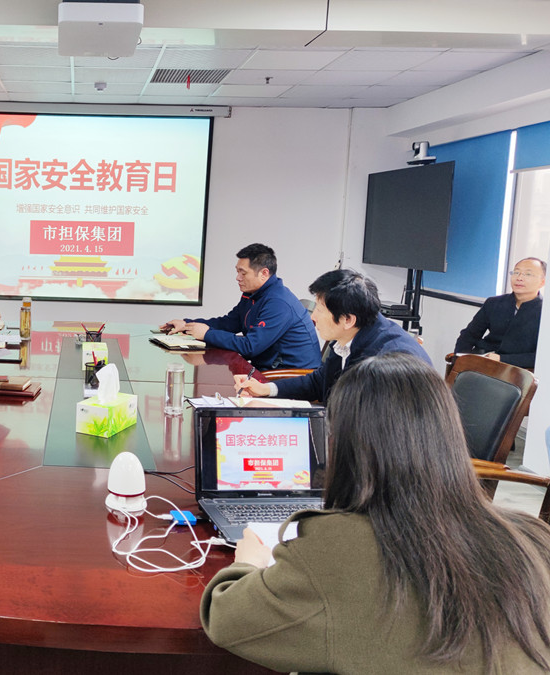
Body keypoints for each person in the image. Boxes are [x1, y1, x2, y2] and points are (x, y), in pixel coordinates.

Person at [201, 353, 550, 673]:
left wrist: (248, 562)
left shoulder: (333, 550)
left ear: (345, 445)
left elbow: (227, 620)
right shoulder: (533, 541)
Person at [236, 268, 431, 403]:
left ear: (348, 319)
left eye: (320, 310)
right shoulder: (351, 336)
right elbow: (319, 381)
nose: (313, 317)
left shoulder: (384, 361)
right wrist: (266, 389)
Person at [161, 243, 321, 370]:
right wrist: (186, 324)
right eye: (237, 272)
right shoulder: (252, 294)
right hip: (265, 370)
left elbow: (250, 346)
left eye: (243, 273)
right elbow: (228, 323)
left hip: (288, 377)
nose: (237, 278)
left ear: (264, 273)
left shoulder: (279, 303)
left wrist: (207, 334)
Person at [454, 257, 545, 368]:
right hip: (482, 361)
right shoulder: (493, 303)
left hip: (517, 370)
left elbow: (542, 356)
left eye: (528, 274)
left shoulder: (545, 313)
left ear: (542, 282)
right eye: (516, 272)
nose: (519, 278)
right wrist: (461, 360)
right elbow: (469, 335)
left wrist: (501, 359)